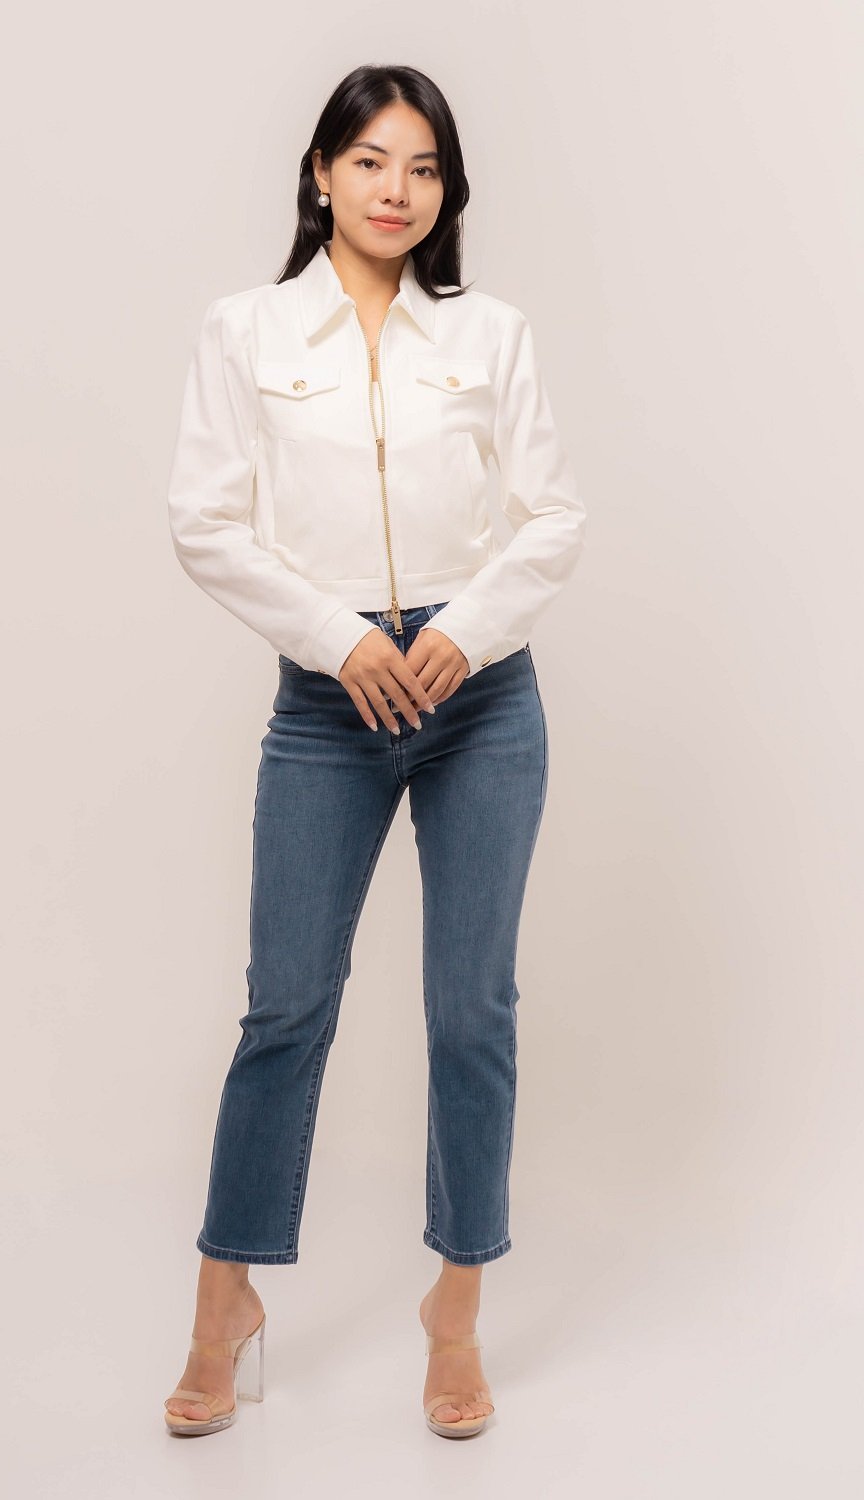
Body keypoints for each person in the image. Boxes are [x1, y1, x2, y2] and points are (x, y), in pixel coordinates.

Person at [162, 63, 587, 1440]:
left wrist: (462, 633)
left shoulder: (490, 334)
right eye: (369, 161)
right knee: (285, 1006)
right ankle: (225, 1303)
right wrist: (339, 641)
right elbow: (205, 521)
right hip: (329, 706)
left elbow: (553, 517)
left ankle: (454, 1311)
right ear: (321, 173)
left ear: (447, 189)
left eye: (422, 167)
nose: (395, 190)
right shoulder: (245, 331)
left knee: (473, 1011)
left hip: (481, 702)